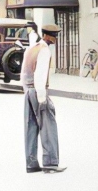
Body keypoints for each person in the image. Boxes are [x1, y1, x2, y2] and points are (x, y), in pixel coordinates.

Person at [21, 24, 66, 174]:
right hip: (38, 90)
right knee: (48, 126)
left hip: (28, 90)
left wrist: (26, 91)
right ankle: (50, 163)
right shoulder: (44, 50)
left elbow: (23, 73)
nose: (56, 38)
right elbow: (40, 74)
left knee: (31, 127)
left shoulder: (31, 48)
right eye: (54, 35)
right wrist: (42, 98)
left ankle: (31, 163)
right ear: (47, 36)